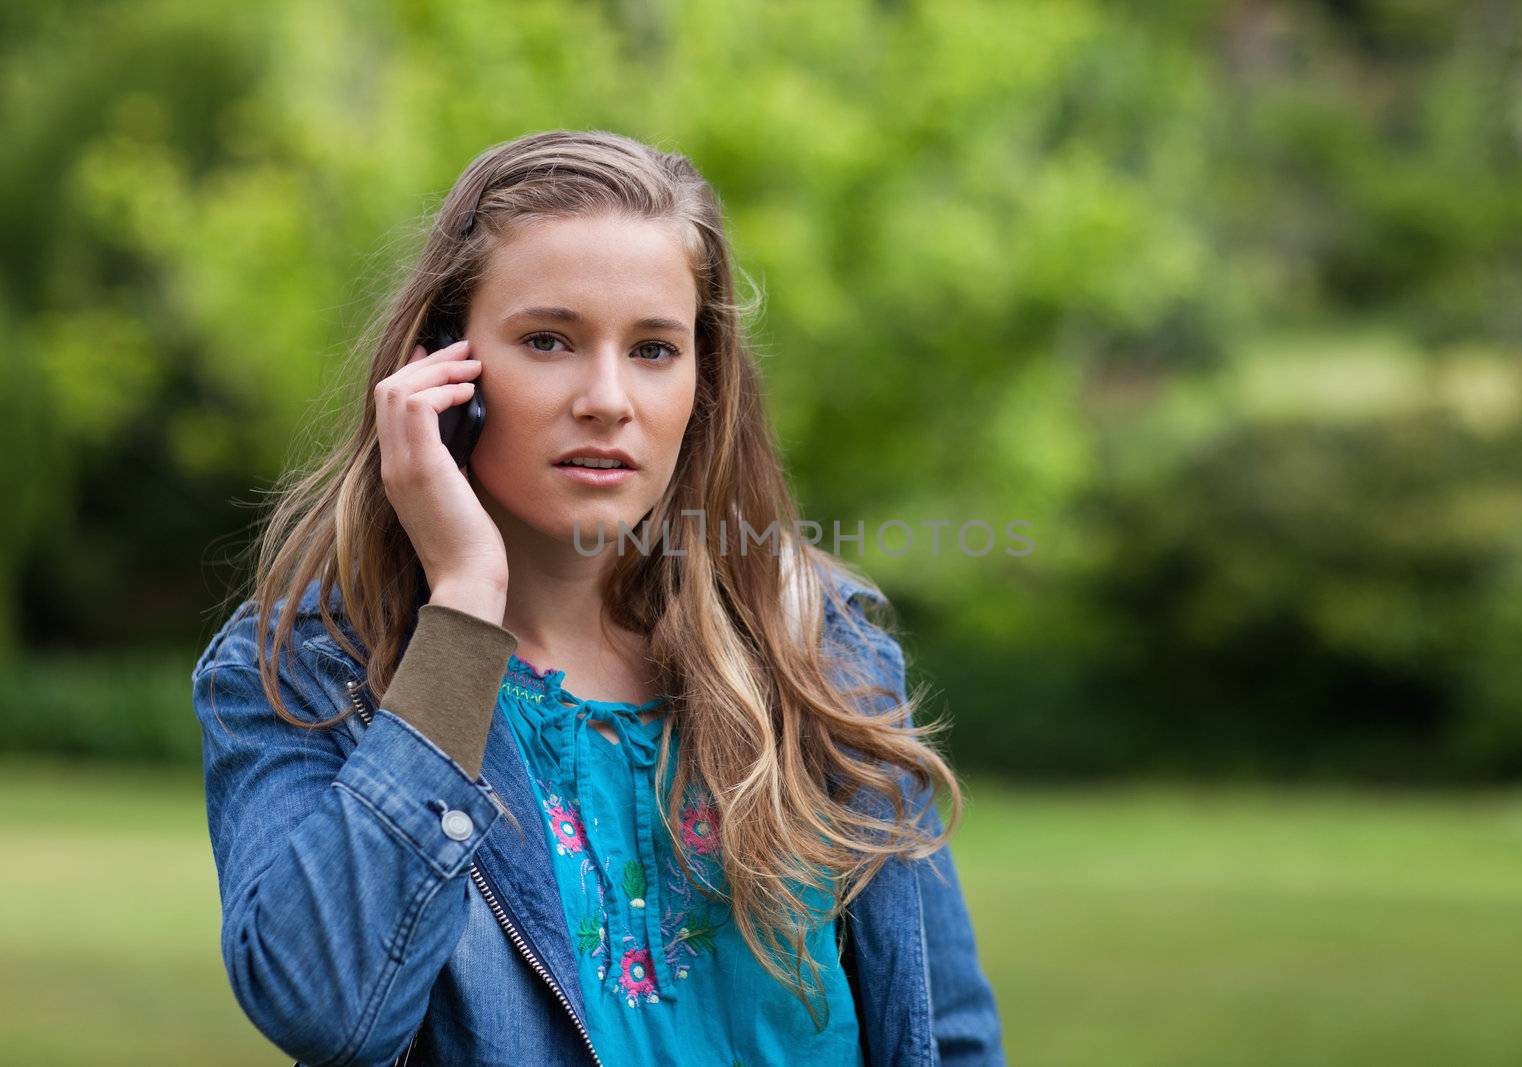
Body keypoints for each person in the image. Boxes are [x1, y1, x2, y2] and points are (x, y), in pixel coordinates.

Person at [192, 129, 1004, 1066]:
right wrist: (463, 609)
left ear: (704, 384)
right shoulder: (307, 674)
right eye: (549, 340)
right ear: (441, 374)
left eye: (655, 348)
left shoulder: (819, 645)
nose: (608, 397)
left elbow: (946, 1031)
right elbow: (329, 1011)